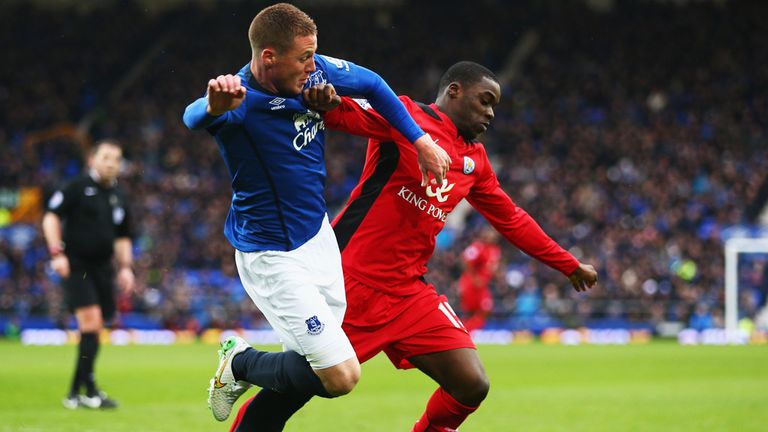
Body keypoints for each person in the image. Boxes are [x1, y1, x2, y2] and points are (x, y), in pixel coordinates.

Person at [229, 61, 598, 431]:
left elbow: (512, 218)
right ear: (454, 90)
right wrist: (325, 100)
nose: (490, 113)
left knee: (471, 384)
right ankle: (240, 363)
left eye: (494, 107)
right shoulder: (403, 114)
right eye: (485, 101)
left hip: (409, 292)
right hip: (350, 281)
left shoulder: (476, 162)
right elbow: (343, 114)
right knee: (300, 390)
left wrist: (567, 264)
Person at [181, 2, 451, 423]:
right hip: (272, 255)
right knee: (341, 375)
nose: (313, 65)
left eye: (314, 54)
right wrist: (213, 105)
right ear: (269, 57)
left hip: (318, 238)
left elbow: (375, 85)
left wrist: (420, 141)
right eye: (304, 57)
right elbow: (193, 116)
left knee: (311, 368)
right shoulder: (238, 100)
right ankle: (239, 361)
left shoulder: (318, 73)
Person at [41, 139, 135, 410]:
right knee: (91, 324)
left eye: (116, 159)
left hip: (104, 269)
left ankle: (74, 393)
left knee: (94, 329)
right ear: (92, 159)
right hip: (77, 265)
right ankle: (91, 390)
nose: (111, 163)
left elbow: (122, 236)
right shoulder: (77, 187)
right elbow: (51, 216)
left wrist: (126, 267)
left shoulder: (119, 196)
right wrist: (56, 253)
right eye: (106, 157)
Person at [458, 226, 501, 332]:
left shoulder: (495, 250)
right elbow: (466, 260)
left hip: (482, 286)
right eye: (490, 233)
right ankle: (465, 332)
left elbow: (491, 267)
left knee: (486, 308)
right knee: (471, 311)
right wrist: (474, 277)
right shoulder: (477, 247)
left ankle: (468, 331)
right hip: (471, 283)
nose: (492, 235)